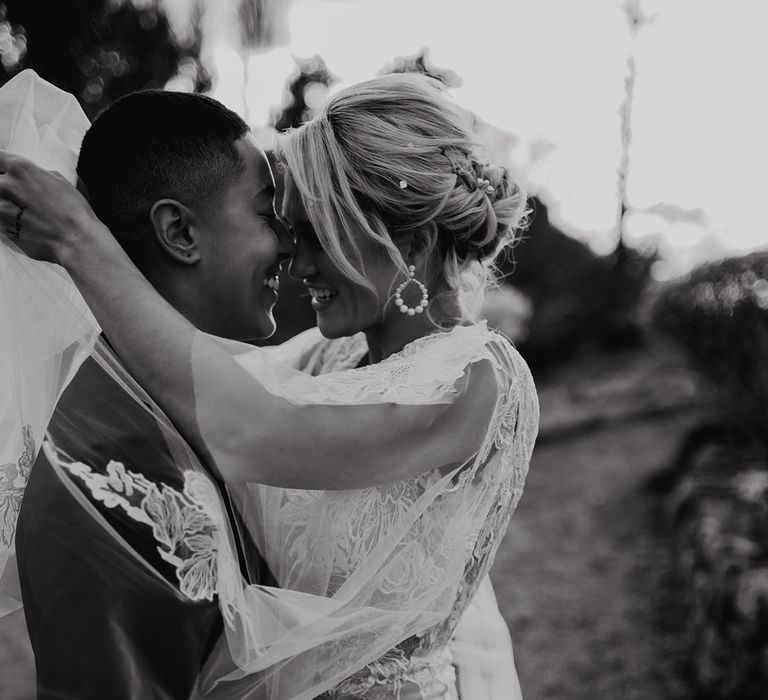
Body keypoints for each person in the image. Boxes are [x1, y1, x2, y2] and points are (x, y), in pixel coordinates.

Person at [0, 72, 539, 699]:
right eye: (287, 226)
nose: (295, 259)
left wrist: (81, 243)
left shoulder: (478, 379)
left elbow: (247, 427)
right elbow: (190, 371)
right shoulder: (327, 356)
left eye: (316, 235)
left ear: (411, 245)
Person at [1, 71, 290, 700]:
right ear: (180, 233)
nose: (289, 243)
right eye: (268, 214)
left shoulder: (203, 411)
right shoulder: (99, 472)